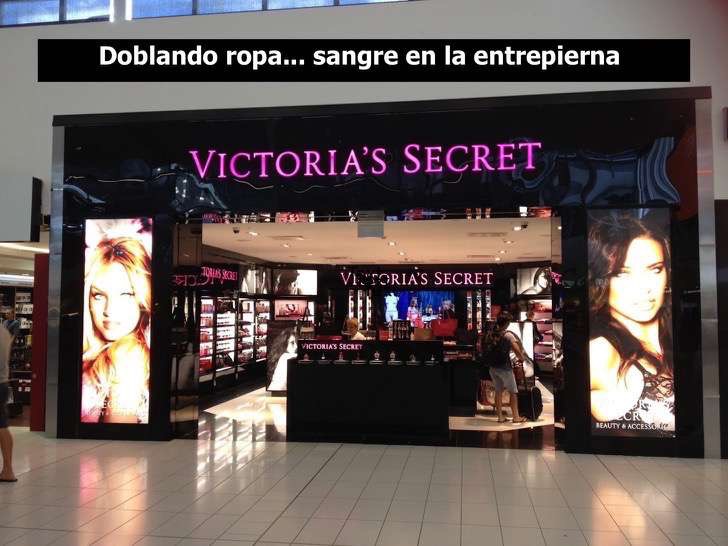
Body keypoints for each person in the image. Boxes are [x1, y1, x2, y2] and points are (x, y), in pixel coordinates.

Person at [588, 211, 674, 432]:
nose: (644, 287)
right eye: (623, 274)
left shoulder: (679, 334)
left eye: (655, 269)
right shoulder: (601, 352)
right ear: (601, 281)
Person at [81, 237, 152, 424]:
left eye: (126, 294)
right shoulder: (97, 350)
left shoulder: (127, 356)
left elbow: (118, 433)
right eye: (98, 295)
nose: (110, 310)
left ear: (143, 298)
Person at [482, 313, 527, 424]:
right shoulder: (508, 335)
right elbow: (517, 350)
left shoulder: (491, 333)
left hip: (493, 367)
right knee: (513, 391)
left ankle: (500, 417)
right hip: (505, 368)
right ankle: (516, 417)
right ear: (507, 323)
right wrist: (522, 359)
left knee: (498, 391)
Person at [0, 315, 19, 482]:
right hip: (2, 383)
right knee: (2, 426)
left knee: (2, 426)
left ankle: (8, 470)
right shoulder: (4, 332)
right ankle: (7, 470)